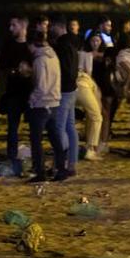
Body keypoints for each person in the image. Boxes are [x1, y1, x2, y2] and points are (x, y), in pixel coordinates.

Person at [27, 31, 67, 179]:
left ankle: (40, 172)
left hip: (41, 104)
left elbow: (41, 86)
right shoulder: (53, 55)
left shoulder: (39, 59)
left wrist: (31, 100)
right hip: (55, 101)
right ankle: (61, 169)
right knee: (55, 138)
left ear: (32, 44)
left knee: (36, 140)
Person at [0, 17, 33, 176]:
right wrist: (14, 71)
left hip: (31, 93)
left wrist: (29, 71)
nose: (11, 28)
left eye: (14, 25)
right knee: (12, 127)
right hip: (13, 92)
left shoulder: (31, 45)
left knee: (34, 128)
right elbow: (2, 67)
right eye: (10, 25)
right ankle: (12, 158)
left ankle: (34, 159)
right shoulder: (8, 45)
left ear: (23, 25)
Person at [51, 21, 81, 176]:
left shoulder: (61, 47)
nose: (50, 28)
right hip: (73, 89)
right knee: (70, 128)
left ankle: (60, 164)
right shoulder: (72, 45)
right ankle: (72, 164)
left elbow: (63, 71)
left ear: (59, 27)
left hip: (64, 91)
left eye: (52, 25)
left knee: (59, 128)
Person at [74, 41, 104, 161]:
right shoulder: (87, 56)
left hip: (70, 85)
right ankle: (91, 149)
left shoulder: (71, 54)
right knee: (97, 117)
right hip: (84, 83)